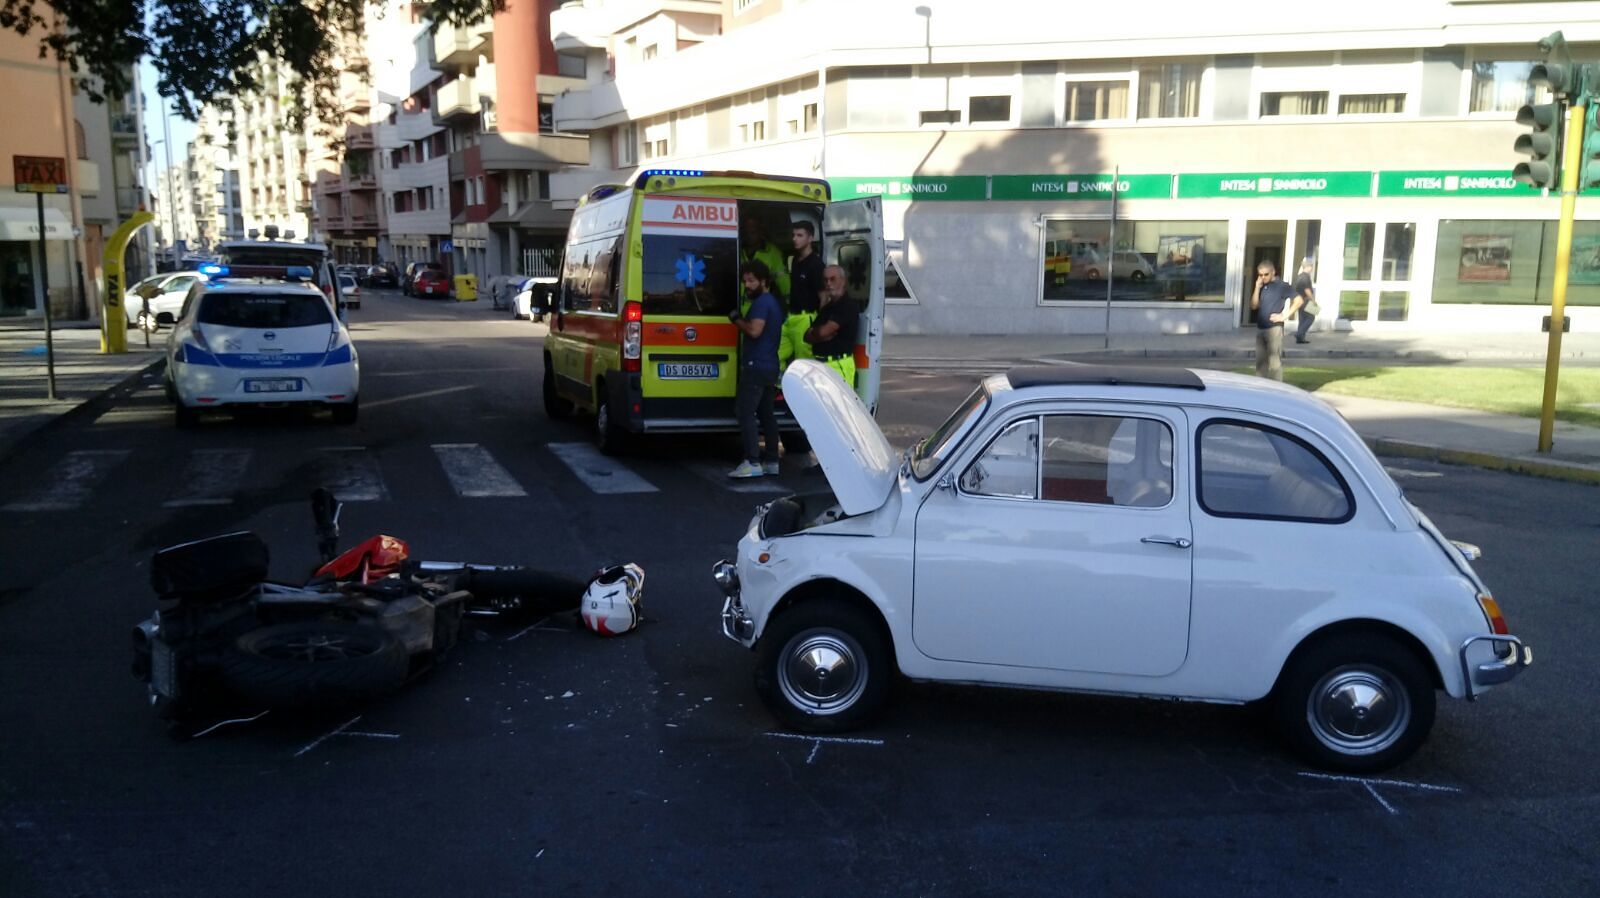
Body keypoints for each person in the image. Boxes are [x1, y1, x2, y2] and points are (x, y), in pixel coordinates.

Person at [727, 259, 785, 478]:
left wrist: (736, 319)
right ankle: (771, 460)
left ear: (764, 281)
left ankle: (752, 461)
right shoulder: (773, 303)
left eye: (751, 281)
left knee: (745, 411)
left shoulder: (762, 302)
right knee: (766, 413)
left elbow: (754, 331)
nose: (747, 285)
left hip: (756, 366)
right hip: (770, 365)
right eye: (745, 281)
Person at [805, 264, 859, 388]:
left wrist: (817, 333)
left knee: (839, 406)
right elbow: (807, 336)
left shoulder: (847, 306)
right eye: (825, 280)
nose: (828, 283)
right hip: (821, 365)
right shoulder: (827, 308)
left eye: (832, 279)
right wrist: (818, 334)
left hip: (838, 364)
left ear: (843, 280)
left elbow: (822, 332)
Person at [780, 220, 823, 370]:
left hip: (806, 319)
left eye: (800, 235)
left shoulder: (816, 264)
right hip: (791, 318)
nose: (795, 239)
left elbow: (823, 297)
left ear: (810, 238)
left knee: (805, 364)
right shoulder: (796, 261)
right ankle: (779, 389)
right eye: (793, 235)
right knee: (775, 355)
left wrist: (817, 325)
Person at [1250, 260, 1300, 381]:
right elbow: (1253, 306)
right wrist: (1257, 288)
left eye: (1266, 274)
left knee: (1274, 363)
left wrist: (1284, 316)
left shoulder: (1282, 286)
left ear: (1273, 272)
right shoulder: (1262, 286)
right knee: (1261, 363)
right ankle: (1261, 388)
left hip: (1274, 329)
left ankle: (1277, 389)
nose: (1263, 277)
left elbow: (1299, 300)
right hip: (1261, 328)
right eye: (1260, 275)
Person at [740, 216, 789, 307]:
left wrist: (790, 302)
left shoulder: (772, 252)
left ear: (760, 232)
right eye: (746, 232)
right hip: (736, 307)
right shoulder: (736, 249)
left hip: (760, 309)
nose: (749, 236)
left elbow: (782, 279)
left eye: (753, 232)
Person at [1292, 258, 1317, 344]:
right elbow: (1307, 290)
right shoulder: (1305, 277)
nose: (1312, 268)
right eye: (1311, 267)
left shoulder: (1300, 276)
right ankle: (1299, 334)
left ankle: (1300, 339)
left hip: (1299, 300)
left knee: (1302, 319)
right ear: (1308, 267)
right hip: (1305, 300)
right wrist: (1313, 301)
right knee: (1311, 317)